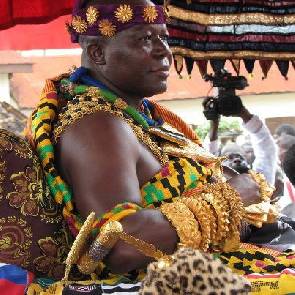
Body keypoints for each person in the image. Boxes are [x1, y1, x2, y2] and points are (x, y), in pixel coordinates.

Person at [1, 0, 294, 294]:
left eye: (163, 38)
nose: (164, 50)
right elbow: (120, 245)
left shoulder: (139, 116)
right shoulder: (98, 126)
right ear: (97, 52)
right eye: (144, 39)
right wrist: (227, 200)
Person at [205, 96, 277, 185]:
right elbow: (208, 162)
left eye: (240, 157)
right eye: (229, 158)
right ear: (220, 166)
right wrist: (243, 113)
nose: (237, 160)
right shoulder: (214, 189)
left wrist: (242, 112)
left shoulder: (262, 185)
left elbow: (267, 151)